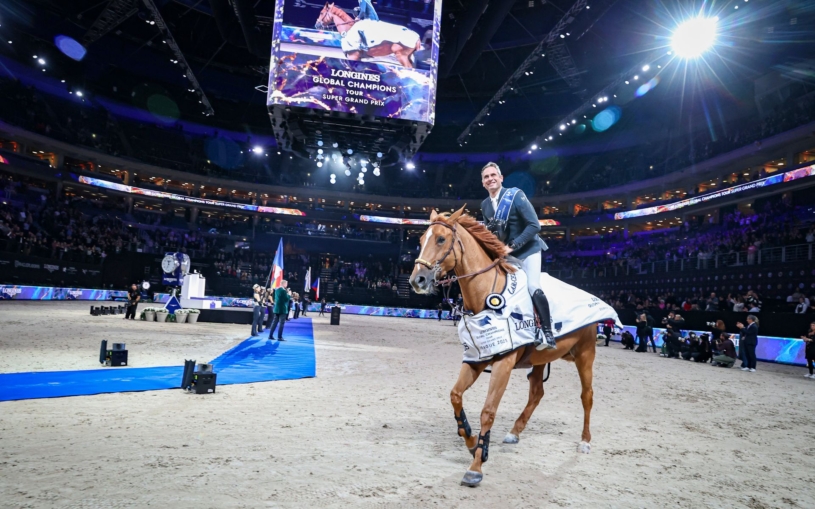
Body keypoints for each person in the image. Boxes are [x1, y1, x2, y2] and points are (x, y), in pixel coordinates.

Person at [480, 162, 555, 350]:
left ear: (501, 177)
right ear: (483, 182)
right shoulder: (485, 205)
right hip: (508, 255)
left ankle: (547, 333)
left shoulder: (516, 195)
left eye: (493, 175)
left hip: (528, 250)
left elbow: (534, 226)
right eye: (486, 177)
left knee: (532, 286)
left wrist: (512, 246)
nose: (490, 179)